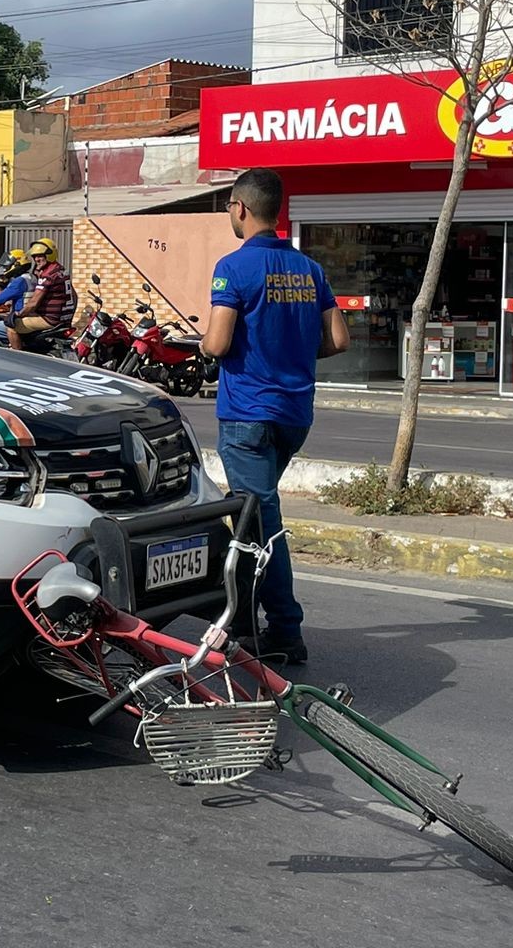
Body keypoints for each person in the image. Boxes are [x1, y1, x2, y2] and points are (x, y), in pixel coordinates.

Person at [200, 168, 350, 665]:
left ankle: (285, 627)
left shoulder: (233, 268)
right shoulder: (309, 269)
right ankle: (240, 620)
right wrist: (292, 355)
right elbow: (338, 341)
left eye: (228, 208)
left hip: (247, 416)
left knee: (261, 518)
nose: (229, 215)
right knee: (245, 518)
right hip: (294, 414)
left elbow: (218, 342)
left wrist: (204, 343)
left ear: (240, 208)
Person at [8, 239, 73, 350]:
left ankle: (17, 358)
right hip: (64, 319)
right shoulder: (61, 270)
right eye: (35, 256)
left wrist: (18, 314)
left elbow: (33, 303)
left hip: (50, 320)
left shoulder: (48, 275)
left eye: (40, 256)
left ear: (50, 255)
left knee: (11, 326)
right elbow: (74, 295)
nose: (36, 259)